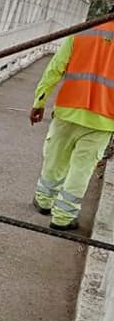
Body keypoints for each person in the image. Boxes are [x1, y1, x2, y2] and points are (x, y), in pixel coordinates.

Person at [30, 19, 114, 231]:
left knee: (55, 158)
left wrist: (39, 102)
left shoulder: (82, 31)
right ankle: (63, 218)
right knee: (81, 169)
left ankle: (43, 200)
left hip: (68, 110)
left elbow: (55, 68)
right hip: (103, 119)